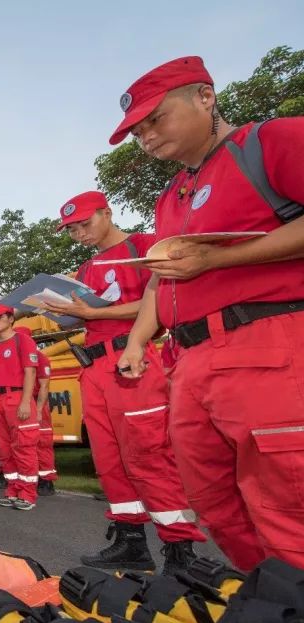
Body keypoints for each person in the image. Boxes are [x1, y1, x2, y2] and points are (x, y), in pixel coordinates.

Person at [113, 56, 304, 571]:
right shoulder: (171, 195)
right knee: (217, 502)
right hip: (190, 358)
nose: (146, 137)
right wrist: (136, 342)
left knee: (288, 500)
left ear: (205, 97)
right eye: (136, 131)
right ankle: (277, 604)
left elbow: (204, 260)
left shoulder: (272, 142)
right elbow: (160, 274)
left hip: (269, 340)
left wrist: (219, 259)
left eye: (156, 119)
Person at [47, 190, 205, 573]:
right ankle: (130, 539)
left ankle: (181, 548)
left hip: (132, 358)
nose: (79, 234)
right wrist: (70, 314)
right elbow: (90, 314)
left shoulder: (144, 246)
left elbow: (163, 299)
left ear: (107, 212)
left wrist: (99, 311)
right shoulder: (85, 269)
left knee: (149, 451)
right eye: (71, 229)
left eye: (85, 223)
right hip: (94, 365)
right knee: (109, 457)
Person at [0, 305, 40, 511]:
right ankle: (13, 489)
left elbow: (30, 373)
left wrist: (26, 401)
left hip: (17, 397)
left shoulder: (22, 340)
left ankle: (27, 493)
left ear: (10, 318)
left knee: (24, 447)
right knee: (4, 448)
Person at [15, 327, 57, 496]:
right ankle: (28, 479)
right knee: (23, 443)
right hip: (23, 402)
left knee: (42, 442)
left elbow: (44, 386)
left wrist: (38, 410)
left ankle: (46, 481)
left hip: (36, 403)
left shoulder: (40, 358)